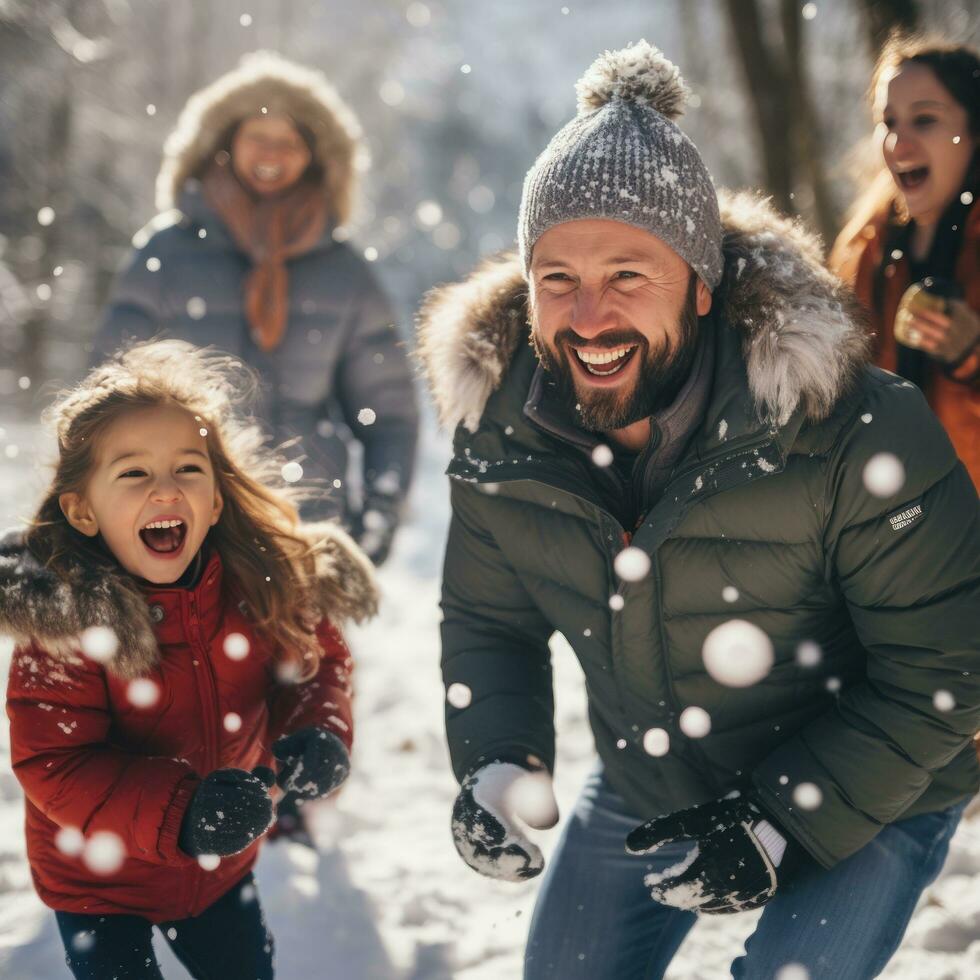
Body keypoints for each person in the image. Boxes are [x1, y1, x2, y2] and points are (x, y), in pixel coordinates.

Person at [417, 41, 980, 980]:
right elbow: (489, 618)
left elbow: (946, 668)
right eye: (557, 278)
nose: (588, 316)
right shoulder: (501, 432)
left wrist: (779, 819)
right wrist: (497, 758)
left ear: (703, 284)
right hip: (652, 775)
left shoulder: (852, 429)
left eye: (628, 275)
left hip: (877, 781)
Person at [2, 340, 377, 979]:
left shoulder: (255, 586)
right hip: (100, 885)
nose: (166, 490)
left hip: (220, 869)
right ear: (82, 510)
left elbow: (315, 668)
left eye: (188, 469)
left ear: (217, 500)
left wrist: (316, 730)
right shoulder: (66, 621)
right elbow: (54, 763)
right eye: (134, 473)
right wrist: (181, 814)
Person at [95, 51, 419, 566]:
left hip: (304, 532)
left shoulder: (346, 273)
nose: (273, 153)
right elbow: (106, 395)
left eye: (289, 141)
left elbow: (388, 414)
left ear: (315, 157)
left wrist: (379, 516)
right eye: (258, 137)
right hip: (177, 532)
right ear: (225, 145)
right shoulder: (166, 253)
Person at [830, 36, 979, 489]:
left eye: (925, 119)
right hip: (898, 531)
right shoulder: (865, 247)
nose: (898, 142)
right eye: (888, 121)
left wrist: (971, 358)